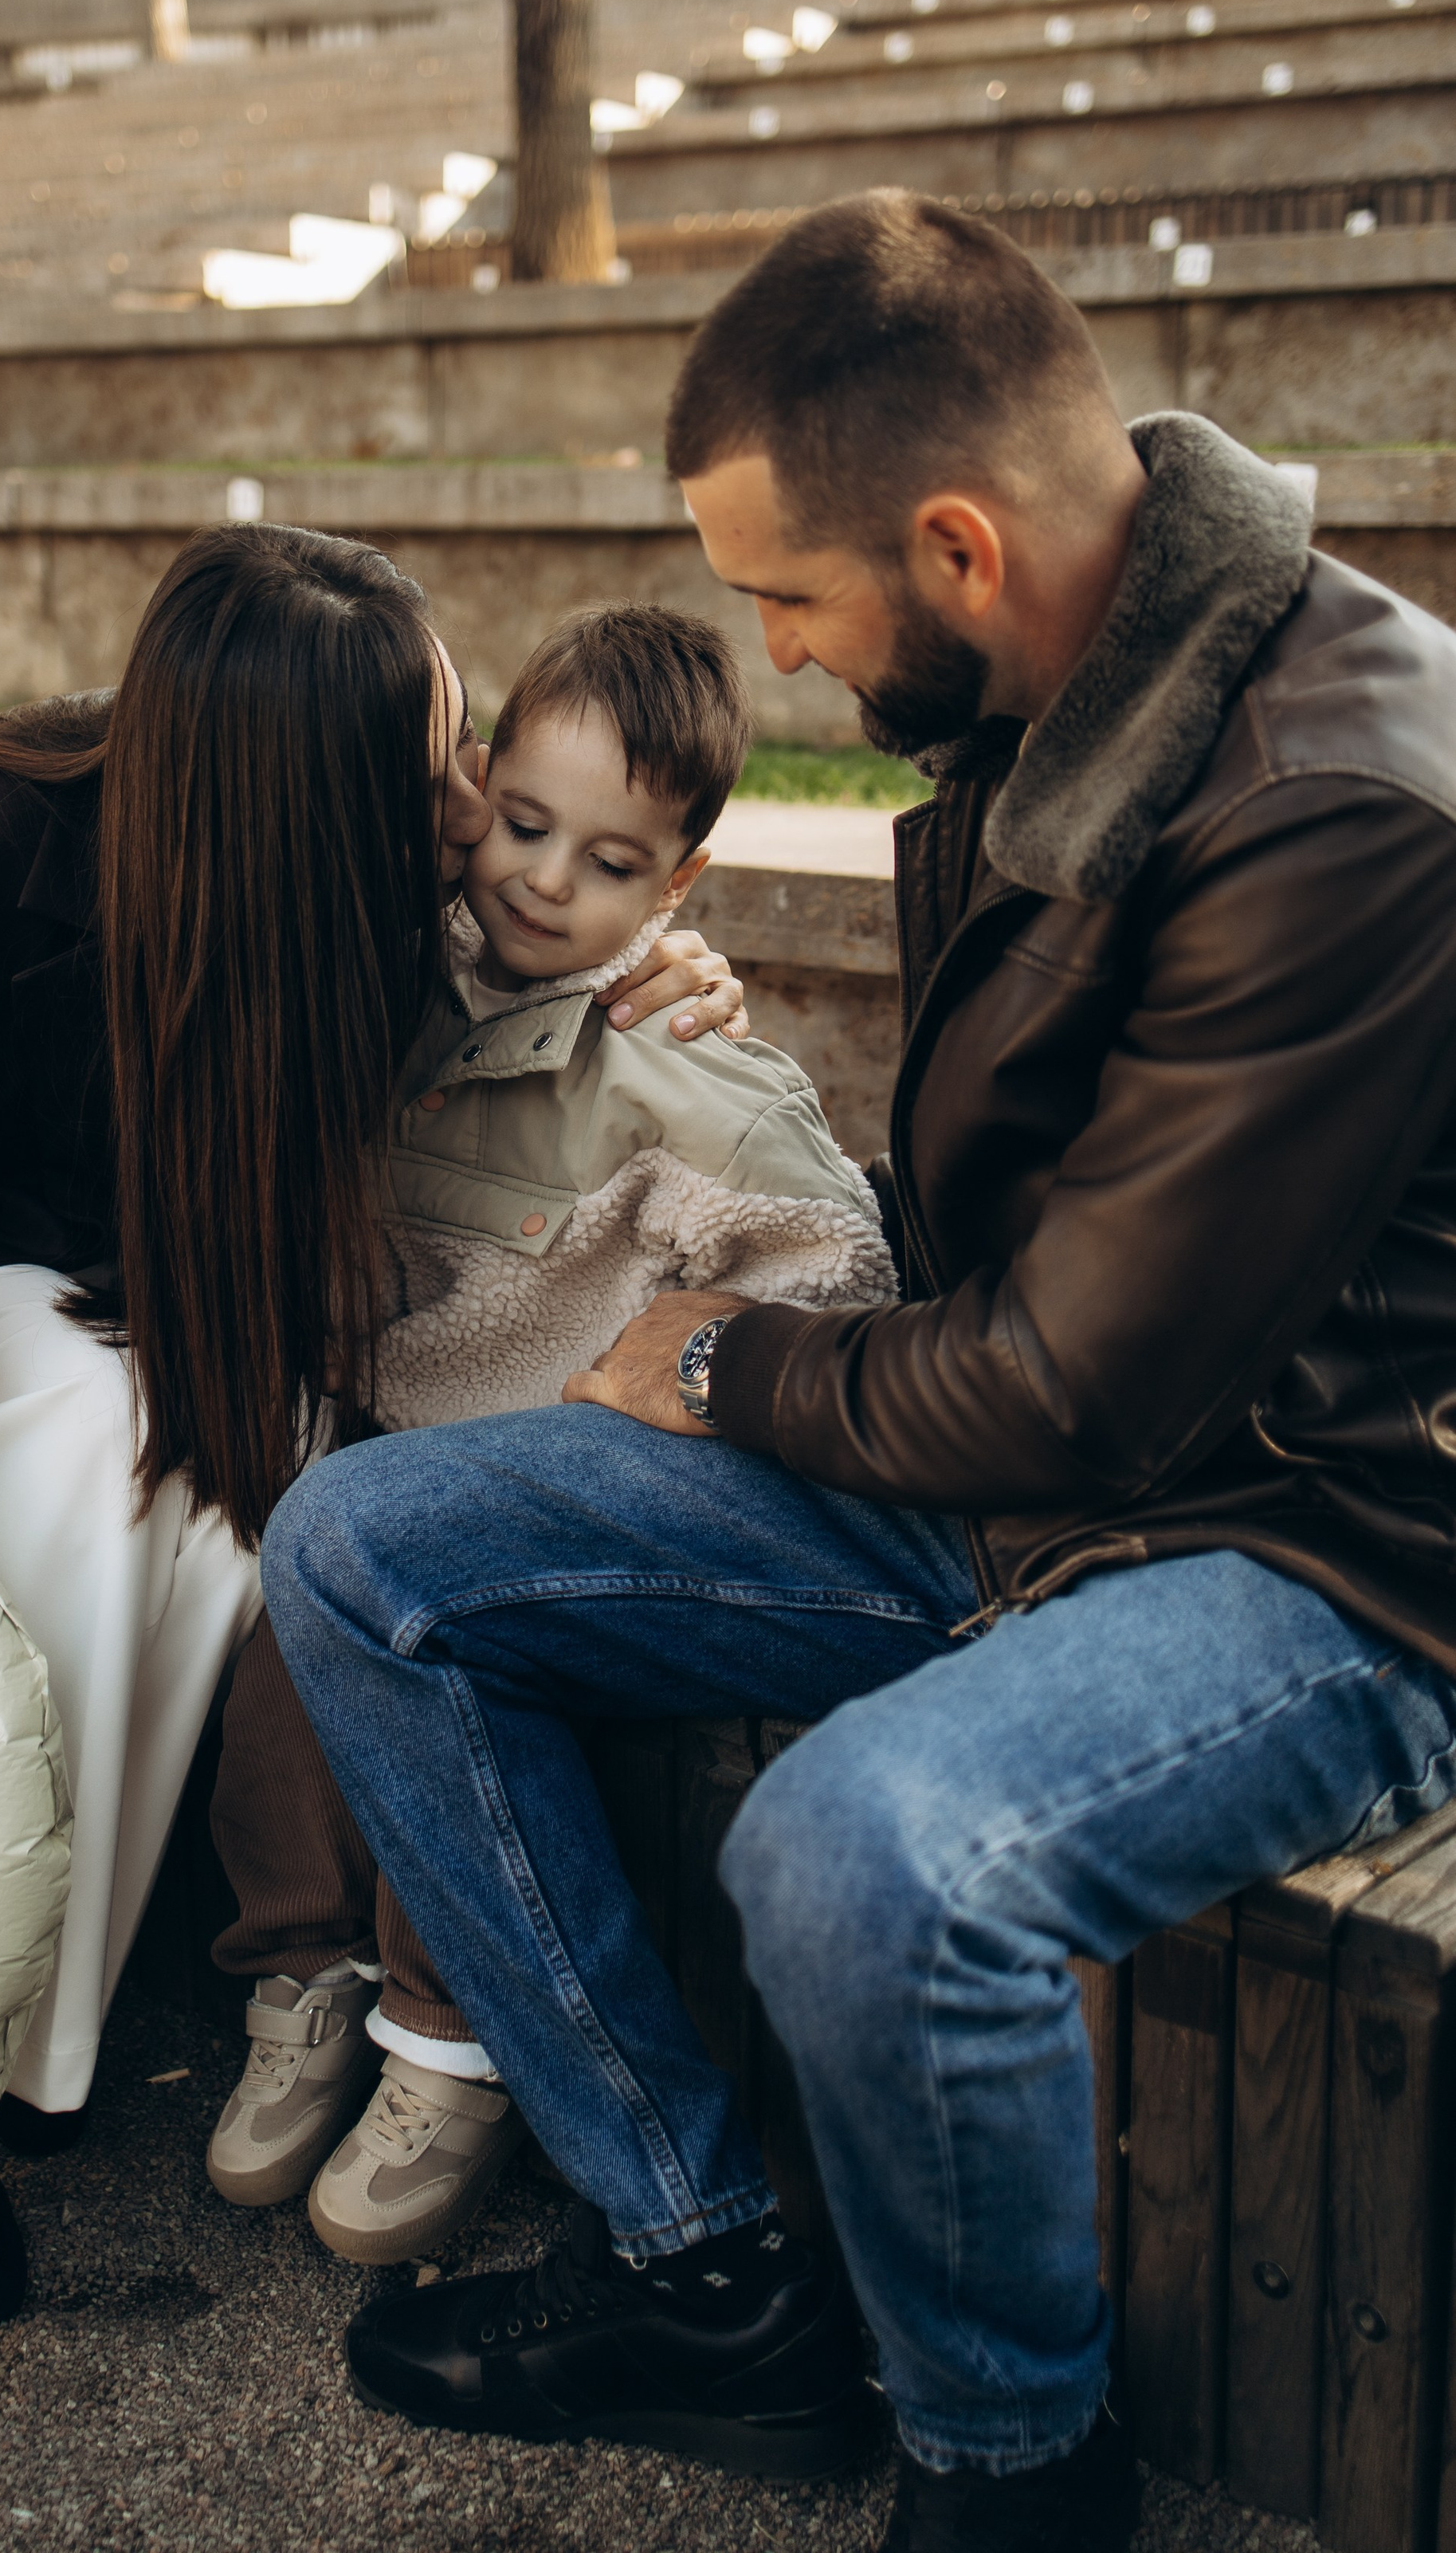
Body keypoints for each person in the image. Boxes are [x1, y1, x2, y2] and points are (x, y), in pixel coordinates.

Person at [260, 191, 1456, 2551]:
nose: (780, 657)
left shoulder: (1338, 799)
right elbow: (1019, 1315)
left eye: (790, 598)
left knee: (860, 1855)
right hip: (1032, 1480)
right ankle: (710, 2267)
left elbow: (1075, 1388)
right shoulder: (1080, 693)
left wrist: (720, 1366)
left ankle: (1015, 2471)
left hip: (1315, 1551)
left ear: (955, 544)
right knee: (364, 1553)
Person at [0, 523, 746, 2325]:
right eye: (438, 766)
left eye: (460, 733)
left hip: (218, 1338)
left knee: (207, 1459)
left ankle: (11, 2052)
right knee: (101, 1435)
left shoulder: (383, 881)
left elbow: (550, 981)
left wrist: (677, 983)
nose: (471, 800)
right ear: (291, 807)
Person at [203, 604, 896, 2269]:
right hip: (374, 1455)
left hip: (544, 1495)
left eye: (603, 862)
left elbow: (838, 1271)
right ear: (478, 788)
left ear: (676, 889)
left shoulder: (682, 1073)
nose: (536, 882)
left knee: (456, 1655)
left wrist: (669, 1372)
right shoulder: (386, 974)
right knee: (282, 1640)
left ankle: (447, 2047)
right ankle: (300, 1964)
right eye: (518, 825)